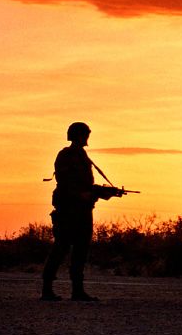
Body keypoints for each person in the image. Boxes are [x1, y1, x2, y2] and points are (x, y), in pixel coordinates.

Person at [40, 122, 124, 301]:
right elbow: (65, 183)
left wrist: (106, 192)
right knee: (61, 248)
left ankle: (77, 290)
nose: (87, 137)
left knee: (81, 250)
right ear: (77, 135)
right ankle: (47, 289)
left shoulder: (83, 156)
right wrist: (81, 195)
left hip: (83, 211)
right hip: (68, 209)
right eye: (85, 134)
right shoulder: (66, 155)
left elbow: (87, 187)